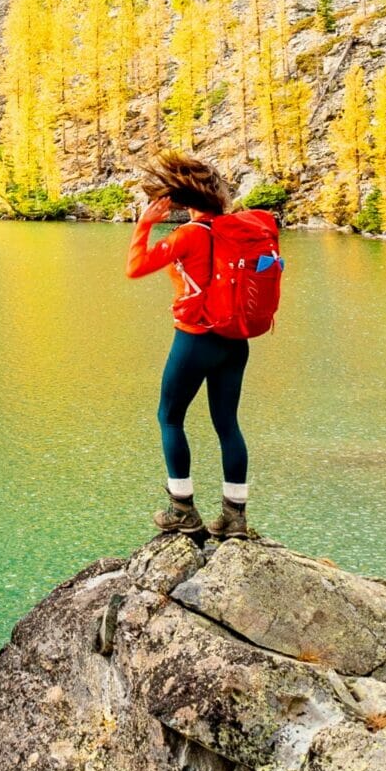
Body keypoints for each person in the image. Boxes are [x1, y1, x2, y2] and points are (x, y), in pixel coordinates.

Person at [126, 152, 256, 540]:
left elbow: (135, 267)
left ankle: (183, 510)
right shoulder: (237, 230)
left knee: (170, 418)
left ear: (184, 201)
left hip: (195, 339)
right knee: (227, 424)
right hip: (235, 341)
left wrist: (145, 225)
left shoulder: (188, 236)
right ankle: (235, 518)